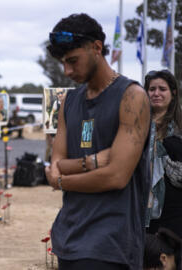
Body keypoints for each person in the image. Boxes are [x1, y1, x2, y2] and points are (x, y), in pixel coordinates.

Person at [44, 13, 151, 269]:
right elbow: (54, 166)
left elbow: (116, 177)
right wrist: (93, 162)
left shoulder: (132, 97)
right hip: (68, 238)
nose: (67, 71)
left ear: (97, 48)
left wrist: (62, 180)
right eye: (63, 63)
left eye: (73, 61)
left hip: (110, 244)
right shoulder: (67, 101)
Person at [144, 70, 182, 238]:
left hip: (174, 210)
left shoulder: (180, 126)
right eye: (152, 89)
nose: (156, 93)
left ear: (173, 93)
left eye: (162, 89)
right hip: (141, 205)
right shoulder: (136, 124)